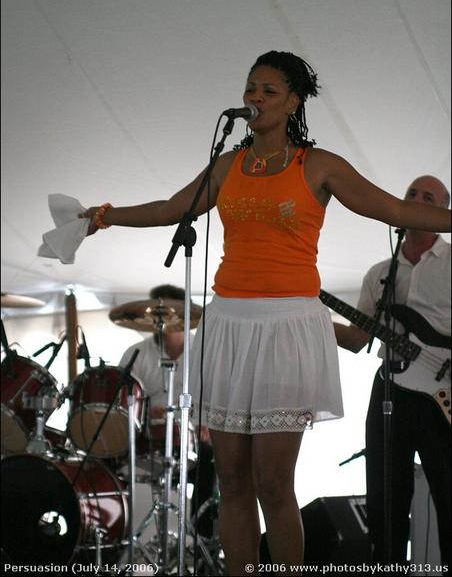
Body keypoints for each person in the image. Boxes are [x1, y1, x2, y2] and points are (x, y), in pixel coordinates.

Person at [81, 51, 451, 576]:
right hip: (229, 325)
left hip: (287, 328)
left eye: (269, 90)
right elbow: (170, 209)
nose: (255, 97)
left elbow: (394, 209)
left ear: (293, 102)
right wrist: (103, 216)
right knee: (232, 482)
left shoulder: (318, 165)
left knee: (274, 484)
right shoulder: (228, 165)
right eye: (250, 88)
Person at [333, 175, 451, 567]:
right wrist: (312, 321)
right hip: (391, 391)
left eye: (428, 197)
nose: (416, 199)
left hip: (442, 399)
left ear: (443, 212)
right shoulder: (381, 273)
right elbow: (357, 339)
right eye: (411, 194)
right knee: (386, 505)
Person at [117, 284, 217, 538]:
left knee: (212, 462)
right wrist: (144, 413)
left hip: (192, 437)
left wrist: (207, 421)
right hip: (147, 438)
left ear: (185, 313)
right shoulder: (136, 354)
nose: (165, 318)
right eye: (159, 312)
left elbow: (218, 394)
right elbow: (121, 401)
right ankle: (121, 532)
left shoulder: (205, 351)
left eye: (171, 311)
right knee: (113, 457)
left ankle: (201, 538)